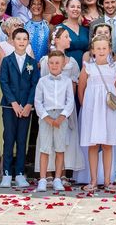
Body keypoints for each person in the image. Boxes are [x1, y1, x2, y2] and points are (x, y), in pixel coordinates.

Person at [36, 27, 84, 183]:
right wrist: (46, 115)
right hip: (48, 109)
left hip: (65, 108)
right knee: (46, 142)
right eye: (66, 36)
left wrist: (66, 113)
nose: (69, 39)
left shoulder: (72, 63)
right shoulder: (45, 62)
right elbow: (41, 93)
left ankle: (61, 173)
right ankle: (46, 175)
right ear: (56, 39)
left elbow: (74, 88)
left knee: (63, 143)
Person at [78, 36, 116, 193]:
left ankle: (108, 181)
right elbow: (81, 88)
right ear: (93, 51)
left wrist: (115, 105)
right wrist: (86, 106)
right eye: (98, 48)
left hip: (109, 109)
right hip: (92, 109)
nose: (101, 51)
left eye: (104, 48)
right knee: (93, 144)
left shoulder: (114, 67)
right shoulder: (88, 67)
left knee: (108, 144)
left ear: (109, 49)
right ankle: (93, 180)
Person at [0, 28, 40, 188]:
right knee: (9, 139)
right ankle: (7, 173)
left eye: (25, 39)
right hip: (10, 107)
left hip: (26, 108)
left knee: (22, 139)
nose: (22, 42)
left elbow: (34, 84)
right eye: (19, 39)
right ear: (13, 41)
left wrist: (29, 104)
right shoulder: (7, 61)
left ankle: (20, 173)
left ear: (28, 41)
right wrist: (14, 103)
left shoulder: (32, 63)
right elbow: (4, 82)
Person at [34, 50, 76, 192]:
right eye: (51, 63)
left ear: (63, 64)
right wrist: (46, 117)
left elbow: (70, 101)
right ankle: (43, 179)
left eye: (57, 63)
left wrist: (62, 116)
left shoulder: (67, 81)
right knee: (44, 148)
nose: (54, 65)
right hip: (46, 116)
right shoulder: (42, 81)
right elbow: (38, 101)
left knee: (60, 148)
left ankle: (58, 178)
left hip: (61, 116)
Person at [19, 0, 55, 64]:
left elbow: (51, 48)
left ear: (43, 8)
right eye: (33, 4)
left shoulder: (49, 27)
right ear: (29, 7)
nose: (36, 6)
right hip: (27, 65)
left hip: (45, 65)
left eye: (39, 4)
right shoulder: (23, 26)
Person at [60, 0, 90, 69]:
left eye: (78, 7)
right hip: (66, 67)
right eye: (72, 6)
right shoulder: (60, 28)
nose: (75, 9)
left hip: (85, 67)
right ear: (66, 9)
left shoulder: (85, 30)